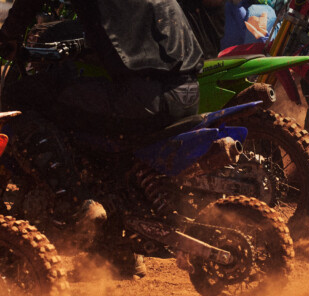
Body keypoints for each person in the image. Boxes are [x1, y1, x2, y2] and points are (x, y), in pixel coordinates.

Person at [0, 0, 205, 277]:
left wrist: (9, 34)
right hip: (187, 92)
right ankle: (116, 252)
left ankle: (75, 202)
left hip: (143, 99)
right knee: (91, 131)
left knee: (20, 99)